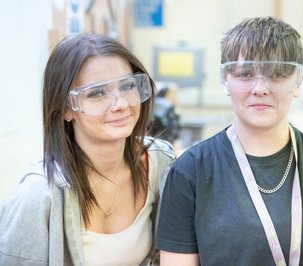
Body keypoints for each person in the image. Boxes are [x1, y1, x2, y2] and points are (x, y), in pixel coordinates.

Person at [156, 17, 303, 265]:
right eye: (245, 74)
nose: (260, 88)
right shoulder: (190, 172)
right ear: (226, 80)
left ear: (298, 81)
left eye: (277, 74)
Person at [0, 33, 175, 265]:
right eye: (97, 93)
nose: (121, 104)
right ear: (65, 109)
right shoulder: (37, 196)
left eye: (127, 86)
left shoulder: (159, 163)